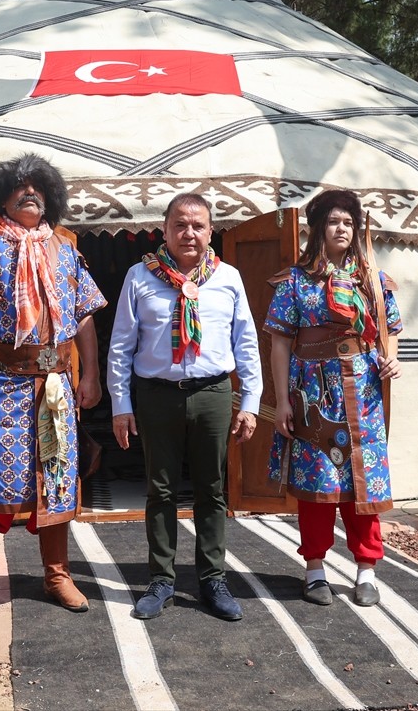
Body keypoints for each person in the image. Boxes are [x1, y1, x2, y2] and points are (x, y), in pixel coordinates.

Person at [0, 153, 106, 628]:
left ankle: (57, 575)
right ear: (2, 197)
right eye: (19, 186)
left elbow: (85, 314)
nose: (30, 193)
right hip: (0, 381)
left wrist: (90, 375)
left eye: (39, 186)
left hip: (55, 385)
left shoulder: (66, 249)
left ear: (51, 195)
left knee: (55, 479)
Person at [107, 193, 261, 622]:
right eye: (180, 224)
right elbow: (121, 345)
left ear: (211, 231)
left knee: (213, 488)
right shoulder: (140, 277)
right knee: (160, 489)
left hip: (212, 393)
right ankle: (161, 580)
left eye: (198, 225)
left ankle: (213, 579)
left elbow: (245, 341)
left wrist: (249, 401)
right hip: (156, 394)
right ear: (166, 229)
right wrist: (121, 405)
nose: (189, 233)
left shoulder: (228, 277)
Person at [265, 189, 403, 607]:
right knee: (318, 486)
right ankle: (315, 571)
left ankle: (366, 571)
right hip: (312, 393)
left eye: (348, 222)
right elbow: (278, 343)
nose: (341, 229)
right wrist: (282, 402)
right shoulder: (294, 282)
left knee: (364, 486)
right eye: (332, 222)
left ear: (356, 229)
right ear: (317, 229)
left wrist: (390, 361)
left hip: (363, 394)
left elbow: (389, 329)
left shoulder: (373, 281)